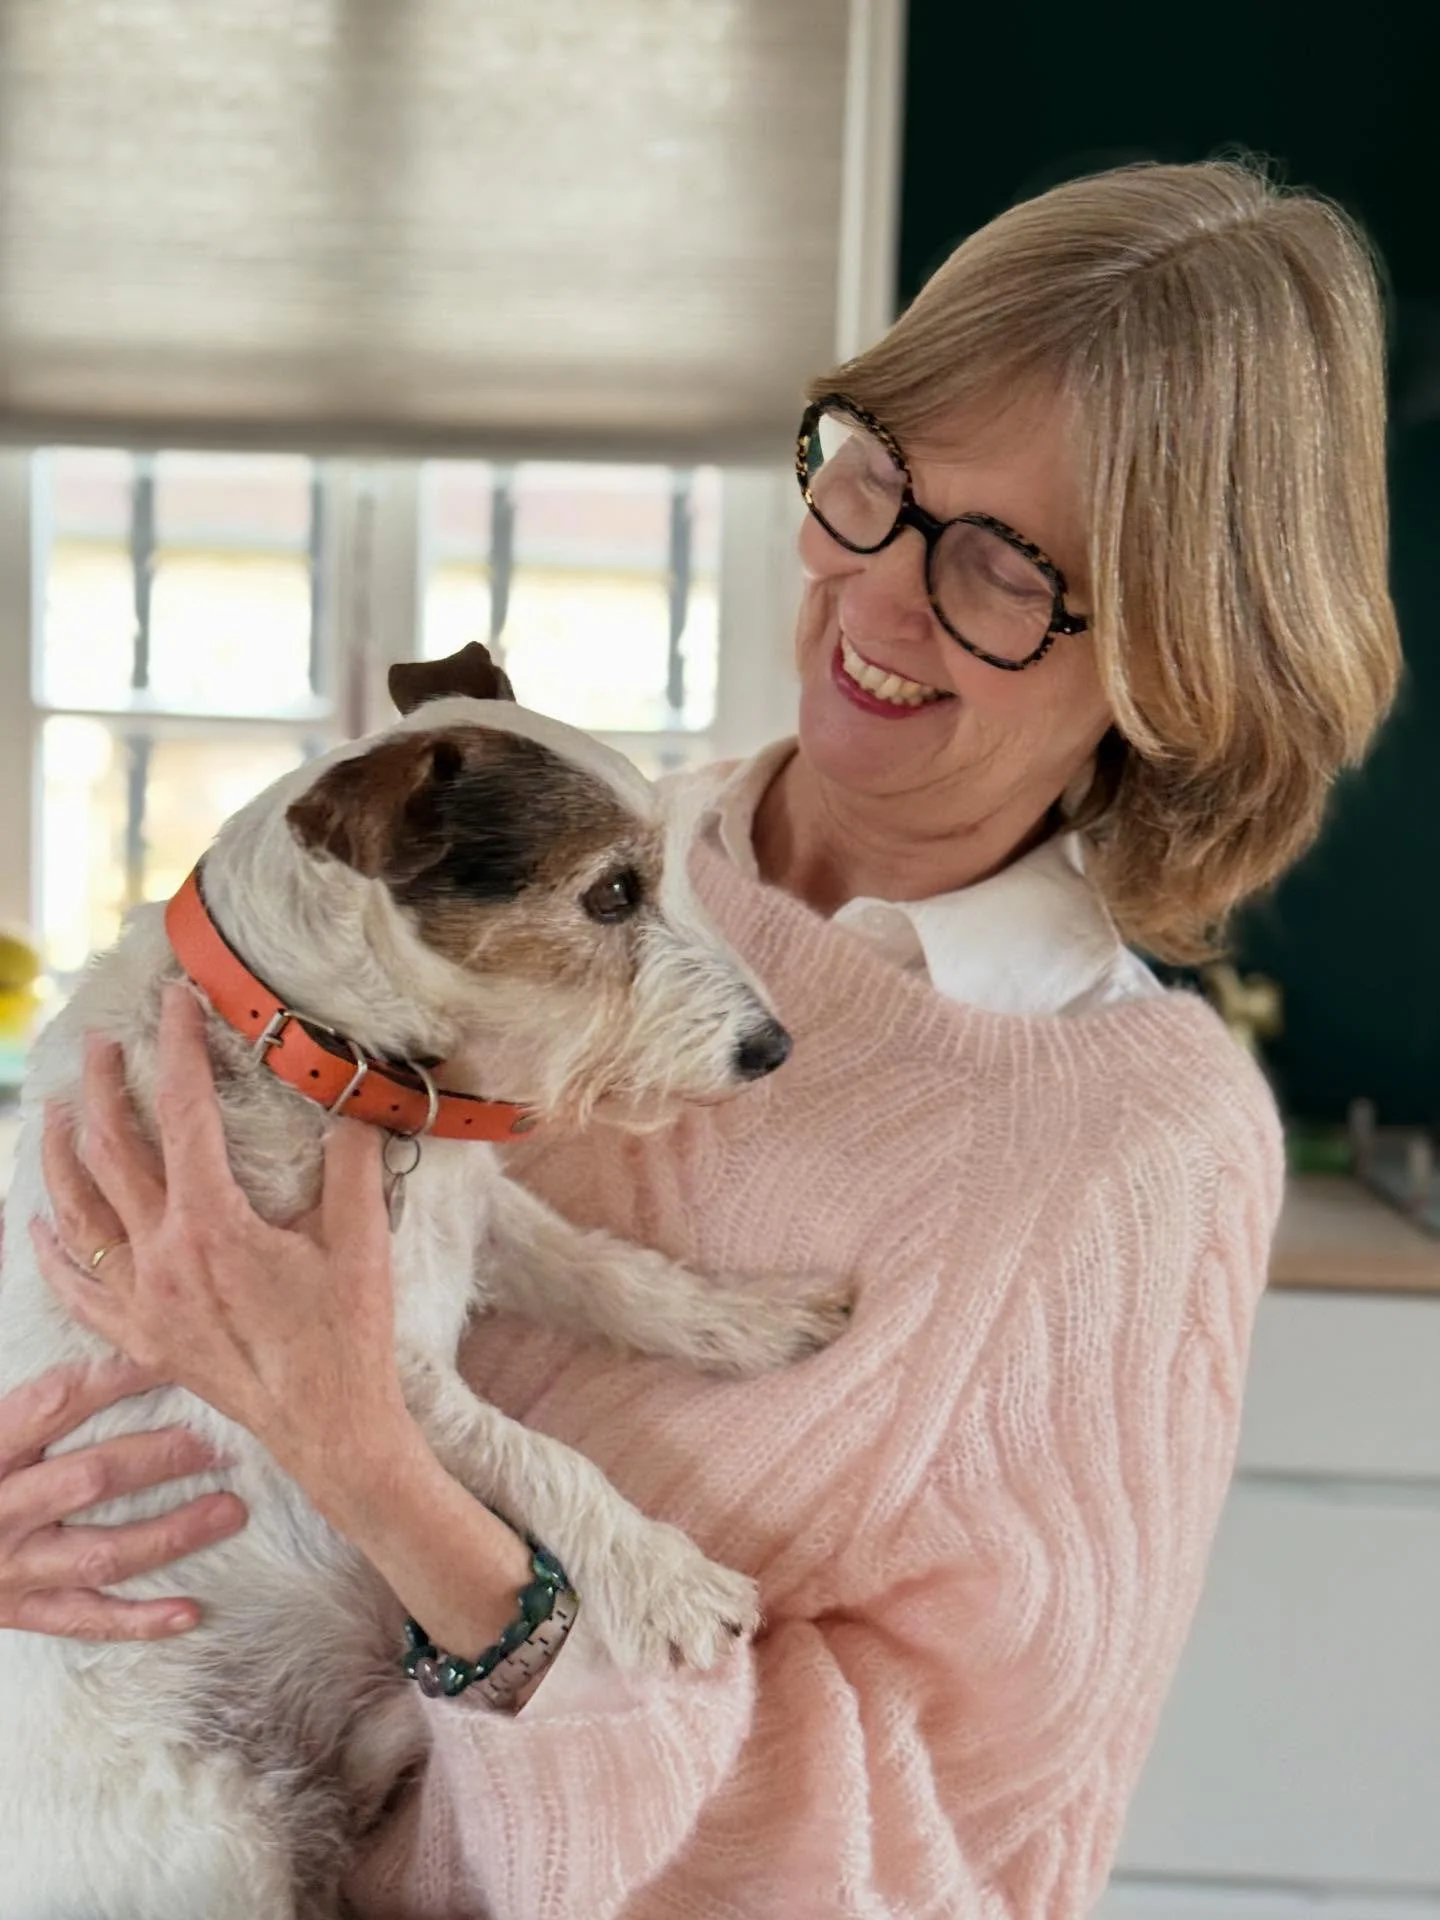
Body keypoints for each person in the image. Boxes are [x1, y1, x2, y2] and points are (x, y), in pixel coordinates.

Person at [0, 158, 1399, 1917]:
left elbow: (960, 1857)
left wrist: (400, 1498)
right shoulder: (503, 886)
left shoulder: (1133, 1161)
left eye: (1003, 569)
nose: (880, 597)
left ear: (1186, 660)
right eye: (878, 478)